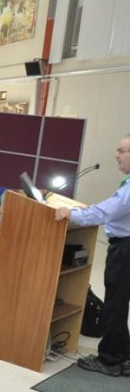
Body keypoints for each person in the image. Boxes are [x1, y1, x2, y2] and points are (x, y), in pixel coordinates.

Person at [55, 134, 130, 377]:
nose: (116, 155)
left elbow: (105, 213)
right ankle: (123, 354)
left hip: (125, 250)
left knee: (115, 305)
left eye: (121, 151)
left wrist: (73, 214)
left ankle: (110, 360)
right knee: (120, 303)